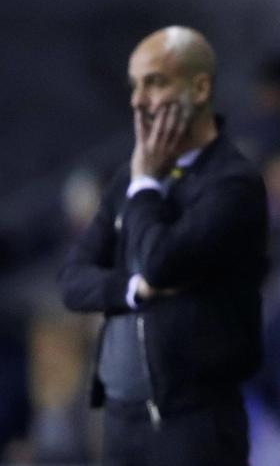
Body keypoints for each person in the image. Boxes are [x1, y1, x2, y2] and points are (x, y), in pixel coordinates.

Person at [58, 26, 269, 465]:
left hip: (194, 423)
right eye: (135, 86)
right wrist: (131, 290)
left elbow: (161, 261)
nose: (138, 101)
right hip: (120, 422)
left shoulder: (232, 183)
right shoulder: (131, 181)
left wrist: (146, 186)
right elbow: (72, 280)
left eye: (154, 83)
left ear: (200, 87)